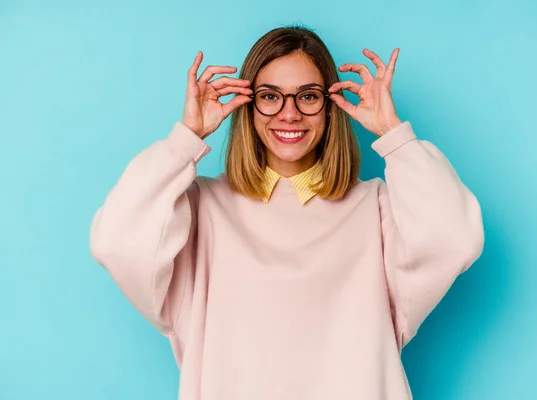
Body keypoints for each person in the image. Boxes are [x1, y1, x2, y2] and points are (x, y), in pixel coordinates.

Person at [90, 25, 484, 400]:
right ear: (249, 105)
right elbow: (115, 242)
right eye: (270, 96)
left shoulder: (377, 209)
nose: (289, 113)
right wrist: (184, 139)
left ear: (330, 108)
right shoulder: (201, 209)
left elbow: (456, 241)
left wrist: (395, 135)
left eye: (308, 96)